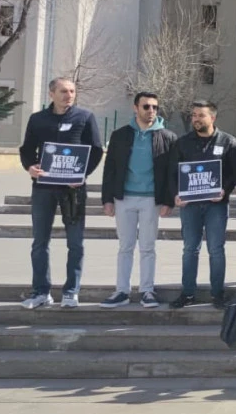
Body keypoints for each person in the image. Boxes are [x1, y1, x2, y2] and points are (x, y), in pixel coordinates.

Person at [19, 78, 104, 309]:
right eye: (64, 91)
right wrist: (30, 167)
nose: (69, 95)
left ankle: (71, 291)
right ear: (52, 94)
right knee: (40, 242)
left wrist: (81, 175)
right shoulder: (37, 119)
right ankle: (41, 292)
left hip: (73, 190)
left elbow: (96, 150)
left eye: (72, 91)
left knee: (75, 242)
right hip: (44, 188)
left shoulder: (84, 117)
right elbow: (27, 150)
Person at [99, 91, 177, 309]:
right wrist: (107, 199)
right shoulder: (120, 135)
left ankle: (147, 291)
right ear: (135, 108)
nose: (151, 110)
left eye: (154, 107)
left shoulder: (167, 136)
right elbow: (110, 169)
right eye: (146, 106)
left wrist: (168, 201)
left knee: (148, 247)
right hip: (124, 198)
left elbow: (172, 172)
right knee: (125, 246)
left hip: (152, 200)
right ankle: (122, 291)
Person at [166, 100, 236, 310]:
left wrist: (224, 190)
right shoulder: (183, 142)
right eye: (194, 115)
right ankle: (187, 293)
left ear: (213, 117)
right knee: (190, 249)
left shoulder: (228, 141)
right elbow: (173, 173)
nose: (196, 119)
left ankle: (217, 294)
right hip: (189, 205)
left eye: (201, 115)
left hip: (216, 205)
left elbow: (235, 173)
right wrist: (175, 195)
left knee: (216, 249)